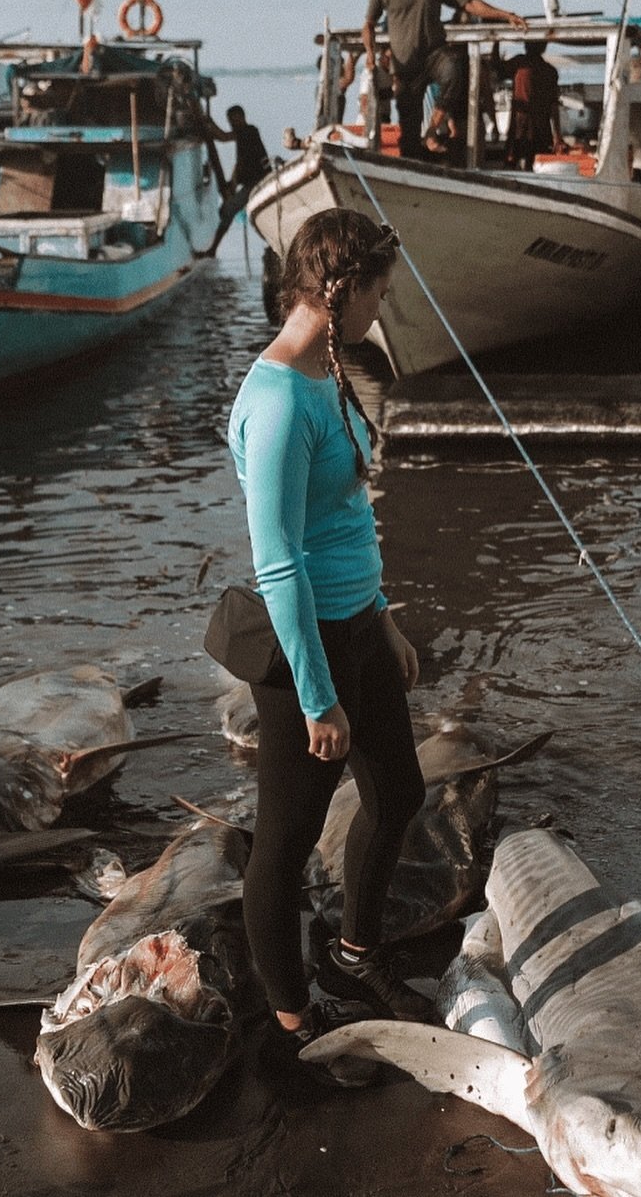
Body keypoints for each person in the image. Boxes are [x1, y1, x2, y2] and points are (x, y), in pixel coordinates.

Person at [226, 208, 435, 1062]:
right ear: (343, 290)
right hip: (301, 651)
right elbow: (278, 564)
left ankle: (353, 955)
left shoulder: (328, 372)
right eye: (379, 293)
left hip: (356, 627)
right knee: (284, 841)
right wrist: (318, 699)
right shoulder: (276, 399)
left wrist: (383, 621)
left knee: (399, 794)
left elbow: (346, 522)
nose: (382, 311)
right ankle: (290, 1018)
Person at [362, 0, 528, 159]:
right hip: (406, 67)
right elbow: (368, 24)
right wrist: (370, 54)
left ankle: (432, 130)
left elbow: (468, 3)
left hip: (434, 55)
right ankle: (417, 168)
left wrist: (505, 15)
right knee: (409, 140)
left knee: (454, 68)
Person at [199, 105, 271, 256]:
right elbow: (225, 138)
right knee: (228, 210)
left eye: (234, 120)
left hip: (257, 182)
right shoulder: (246, 132)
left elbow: (239, 161)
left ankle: (212, 250)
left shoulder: (248, 132)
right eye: (230, 121)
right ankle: (212, 249)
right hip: (257, 181)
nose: (232, 124)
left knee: (227, 211)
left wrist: (232, 185)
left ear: (242, 117)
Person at [492, 39, 566, 169]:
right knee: (537, 165)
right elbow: (553, 105)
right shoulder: (549, 71)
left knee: (513, 163)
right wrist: (557, 135)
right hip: (540, 127)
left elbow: (497, 68)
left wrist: (496, 42)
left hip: (521, 125)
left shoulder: (520, 63)